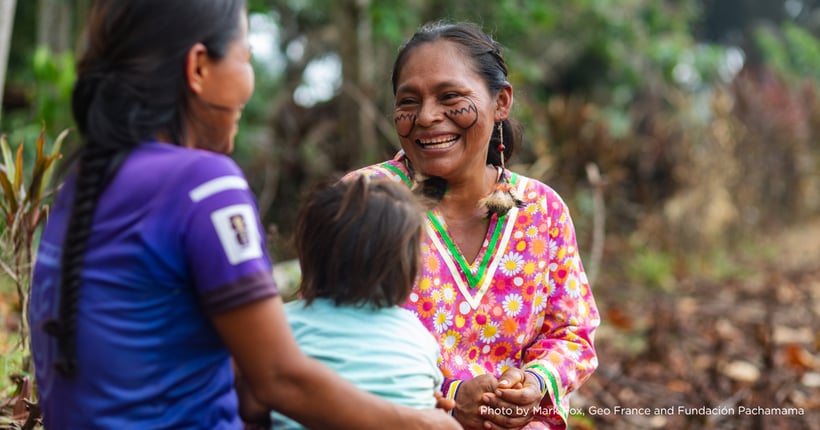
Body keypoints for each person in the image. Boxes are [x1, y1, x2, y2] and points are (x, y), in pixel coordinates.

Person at [26, 1, 459, 429]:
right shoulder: (204, 182)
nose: (250, 79)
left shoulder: (85, 180)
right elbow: (279, 378)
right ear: (198, 68)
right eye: (246, 56)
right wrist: (416, 422)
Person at [345, 21, 600, 429]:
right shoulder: (365, 199)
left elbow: (573, 334)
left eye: (450, 97)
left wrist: (533, 383)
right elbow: (337, 339)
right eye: (409, 102)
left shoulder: (541, 210)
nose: (426, 117)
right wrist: (447, 398)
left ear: (501, 102)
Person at [264, 177, 443, 429]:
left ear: (310, 253)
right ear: (407, 266)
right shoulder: (418, 336)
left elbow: (253, 403)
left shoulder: (280, 325)